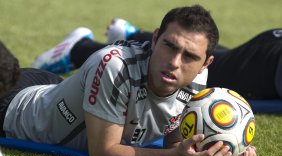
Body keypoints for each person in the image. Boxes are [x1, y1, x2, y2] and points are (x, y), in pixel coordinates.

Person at [1, 5, 257, 156]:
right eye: (169, 45)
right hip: (13, 104)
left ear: (205, 63)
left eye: (190, 56)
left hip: (59, 92)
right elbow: (103, 152)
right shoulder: (115, 67)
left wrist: (222, 151)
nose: (175, 62)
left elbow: (176, 143)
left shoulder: (199, 80)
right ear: (154, 39)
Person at [33, 18, 282, 100]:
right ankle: (78, 48)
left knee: (202, 59)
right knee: (191, 69)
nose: (175, 60)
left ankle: (131, 35)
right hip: (273, 62)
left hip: (273, 48)